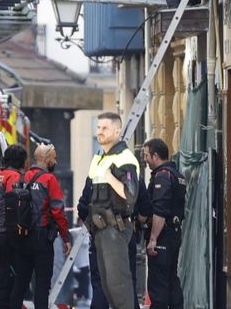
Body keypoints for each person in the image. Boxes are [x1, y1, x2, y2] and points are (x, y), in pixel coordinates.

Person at [83, 112, 140, 309]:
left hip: (115, 229)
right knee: (105, 286)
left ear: (117, 131)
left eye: (105, 128)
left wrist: (109, 176)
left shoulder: (126, 158)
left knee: (119, 287)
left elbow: (130, 194)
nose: (100, 132)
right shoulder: (98, 158)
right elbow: (87, 196)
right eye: (98, 128)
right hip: (99, 231)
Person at [9, 144, 71, 309]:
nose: (55, 161)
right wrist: (66, 237)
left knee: (20, 283)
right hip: (42, 239)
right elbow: (58, 210)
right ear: (46, 159)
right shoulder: (49, 179)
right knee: (42, 285)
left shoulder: (21, 178)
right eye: (54, 157)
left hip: (22, 237)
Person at [78, 174, 151, 309]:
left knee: (100, 283)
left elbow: (82, 208)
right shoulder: (133, 175)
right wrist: (136, 222)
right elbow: (146, 208)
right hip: (124, 235)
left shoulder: (94, 175)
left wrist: (93, 228)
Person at [0, 144, 28, 309]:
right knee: (18, 278)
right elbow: (15, 203)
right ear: (21, 161)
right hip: (12, 235)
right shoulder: (15, 177)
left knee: (3, 277)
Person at [143, 138, 186, 309]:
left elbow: (160, 210)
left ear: (155, 156)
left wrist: (153, 239)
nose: (145, 159)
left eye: (146, 155)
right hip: (174, 234)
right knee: (171, 279)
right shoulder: (177, 175)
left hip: (163, 236)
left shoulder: (163, 176)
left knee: (159, 283)